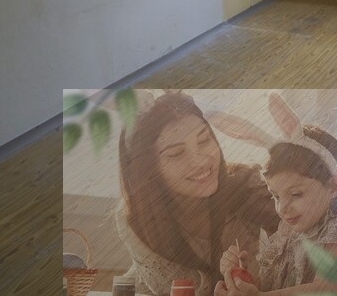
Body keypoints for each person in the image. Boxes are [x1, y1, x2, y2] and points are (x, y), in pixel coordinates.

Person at [116, 91, 280, 296]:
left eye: (204, 140)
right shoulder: (135, 216)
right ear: (149, 169)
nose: (201, 161)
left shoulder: (247, 185)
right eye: (176, 153)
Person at [211, 94, 337, 295]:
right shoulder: (287, 233)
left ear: (332, 186)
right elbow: (276, 288)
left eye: (296, 194)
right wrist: (242, 278)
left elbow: (324, 289)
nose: (282, 208)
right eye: (276, 196)